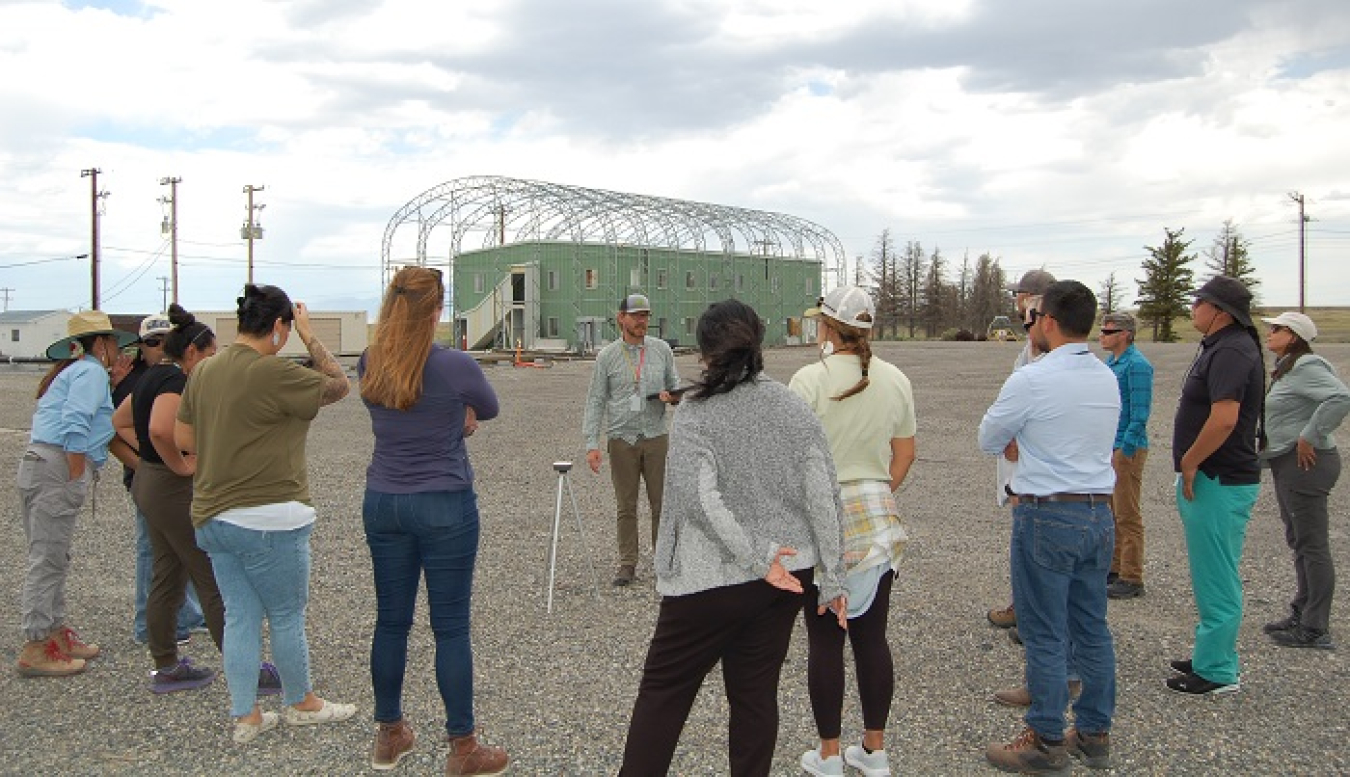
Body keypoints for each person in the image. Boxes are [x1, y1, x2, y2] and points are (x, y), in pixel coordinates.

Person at [619, 299, 847, 777]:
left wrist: (758, 557)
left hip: (712, 581)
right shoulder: (793, 406)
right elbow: (822, 494)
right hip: (784, 579)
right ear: (758, 343)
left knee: (664, 693)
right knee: (755, 699)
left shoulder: (699, 413)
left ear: (703, 353)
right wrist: (834, 577)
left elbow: (699, 502)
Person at [176, 284, 357, 743]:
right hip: (271, 515)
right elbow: (339, 384)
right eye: (288, 328)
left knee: (239, 616)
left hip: (214, 515)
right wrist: (311, 337)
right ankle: (300, 702)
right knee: (286, 614)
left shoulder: (203, 373)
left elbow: (185, 440)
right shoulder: (274, 373)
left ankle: (247, 715)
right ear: (279, 327)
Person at [357, 267, 508, 774]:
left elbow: (397, 402)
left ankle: (389, 733)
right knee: (450, 628)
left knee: (391, 621)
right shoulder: (455, 366)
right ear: (436, 310)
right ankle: (462, 747)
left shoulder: (368, 360)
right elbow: (487, 409)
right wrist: (458, 417)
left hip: (383, 499)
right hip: (443, 500)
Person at [979, 280, 1119, 774]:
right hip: (1098, 511)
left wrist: (1023, 436)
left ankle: (1044, 736)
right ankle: (1095, 731)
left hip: (1046, 511)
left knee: (1043, 630)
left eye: (1033, 318)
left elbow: (988, 435)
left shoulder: (1032, 379)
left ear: (1050, 321)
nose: (1029, 326)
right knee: (1092, 628)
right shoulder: (1106, 376)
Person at [791, 286, 915, 777]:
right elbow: (904, 454)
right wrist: (878, 492)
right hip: (877, 515)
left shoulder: (807, 381)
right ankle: (875, 749)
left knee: (824, 640)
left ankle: (827, 753)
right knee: (871, 638)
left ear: (827, 327)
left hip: (823, 514)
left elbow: (792, 461)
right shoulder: (897, 379)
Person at [16, 311, 136, 677]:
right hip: (56, 465)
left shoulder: (77, 371)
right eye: (113, 343)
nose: (118, 350)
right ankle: (36, 644)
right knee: (49, 557)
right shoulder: (90, 372)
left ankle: (54, 634)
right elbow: (75, 420)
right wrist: (74, 471)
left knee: (53, 553)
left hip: (41, 463)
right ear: (100, 344)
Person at [1168, 275, 1264, 695]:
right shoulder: (1222, 346)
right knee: (1210, 571)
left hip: (1218, 477)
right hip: (1214, 476)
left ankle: (1218, 670)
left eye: (1199, 301)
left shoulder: (1232, 351)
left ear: (1220, 311)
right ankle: (1210, 654)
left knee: (1217, 574)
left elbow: (1225, 418)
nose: (1193, 308)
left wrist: (1191, 461)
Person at [111, 313, 206, 646]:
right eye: (151, 341)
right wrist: (157, 460)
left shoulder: (160, 378)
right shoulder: (146, 382)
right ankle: (151, 628)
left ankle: (181, 623)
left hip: (157, 479)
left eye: (165, 340)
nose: (159, 347)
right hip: (155, 481)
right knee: (157, 554)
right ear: (141, 346)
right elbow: (120, 430)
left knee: (172, 558)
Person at [1258, 311, 1350, 650]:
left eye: (1277, 329)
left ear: (1294, 336)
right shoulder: (1289, 368)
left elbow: (1341, 397)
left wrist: (1310, 435)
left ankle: (1315, 627)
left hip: (1307, 463)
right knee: (1299, 539)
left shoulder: (1308, 366)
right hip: (1289, 463)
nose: (1269, 332)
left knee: (1312, 544)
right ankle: (1302, 610)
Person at [581, 293, 681, 586]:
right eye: (636, 315)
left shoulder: (662, 350)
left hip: (656, 436)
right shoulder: (607, 357)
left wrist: (671, 396)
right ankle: (627, 563)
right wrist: (591, 444)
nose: (642, 321)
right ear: (621, 318)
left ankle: (665, 561)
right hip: (621, 439)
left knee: (661, 504)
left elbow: (676, 388)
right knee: (626, 506)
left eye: (646, 315)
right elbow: (596, 400)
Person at [988, 268, 1055, 632]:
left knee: (1033, 540)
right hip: (1021, 456)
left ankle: (1030, 615)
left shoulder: (1045, 349)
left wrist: (1014, 436)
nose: (1016, 301)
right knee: (1024, 538)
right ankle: (1023, 605)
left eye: (1021, 295)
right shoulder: (1030, 345)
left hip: (1031, 462)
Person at [1098, 312, 1154, 600]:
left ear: (1125, 334)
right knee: (1111, 511)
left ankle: (1132, 576)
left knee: (1127, 512)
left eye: (1109, 331)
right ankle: (1115, 566)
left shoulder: (1137, 366)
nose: (1102, 335)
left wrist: (1126, 449)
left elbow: (1140, 412)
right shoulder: (1112, 363)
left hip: (1126, 448)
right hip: (1110, 445)